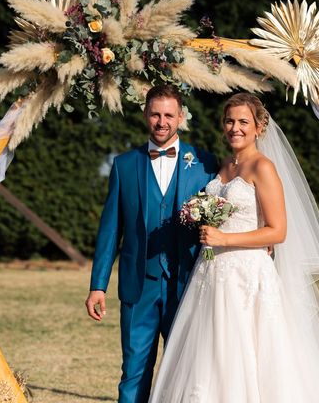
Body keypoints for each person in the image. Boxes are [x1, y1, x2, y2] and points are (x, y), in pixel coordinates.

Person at [149, 93, 319, 402]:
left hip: (248, 278)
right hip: (212, 272)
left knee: (246, 351)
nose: (235, 127)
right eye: (230, 121)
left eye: (243, 121)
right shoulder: (225, 165)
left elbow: (278, 231)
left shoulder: (263, 167)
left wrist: (225, 239)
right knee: (211, 351)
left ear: (260, 127)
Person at [85, 84, 217, 403]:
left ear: (181, 117)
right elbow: (109, 231)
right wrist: (97, 285)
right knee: (133, 370)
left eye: (169, 115)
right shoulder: (124, 165)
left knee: (185, 371)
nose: (162, 122)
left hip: (187, 286)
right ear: (145, 114)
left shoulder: (204, 163)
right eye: (155, 114)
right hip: (138, 286)